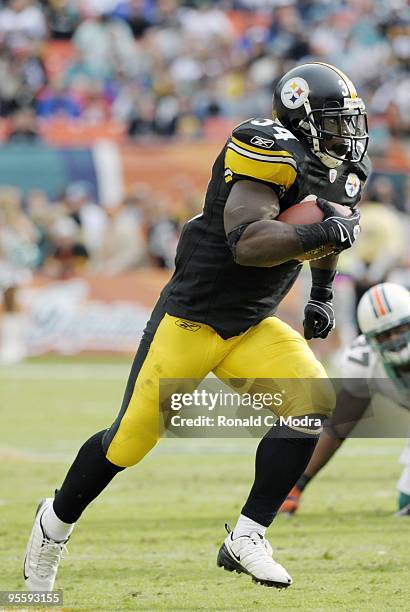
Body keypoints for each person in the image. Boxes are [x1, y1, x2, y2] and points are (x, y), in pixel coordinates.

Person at [23, 62, 370, 591]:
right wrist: (326, 227)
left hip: (252, 323)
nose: (347, 132)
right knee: (128, 444)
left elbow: (332, 231)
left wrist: (321, 291)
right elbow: (249, 243)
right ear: (301, 117)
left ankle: (248, 536)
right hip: (193, 320)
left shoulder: (342, 167)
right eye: (334, 119)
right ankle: (52, 526)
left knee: (312, 404)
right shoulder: (265, 148)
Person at [279, 282, 410, 518]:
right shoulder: (364, 362)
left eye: (399, 330)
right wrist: (297, 486)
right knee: (407, 502)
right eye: (383, 335)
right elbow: (338, 427)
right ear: (370, 339)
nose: (394, 340)